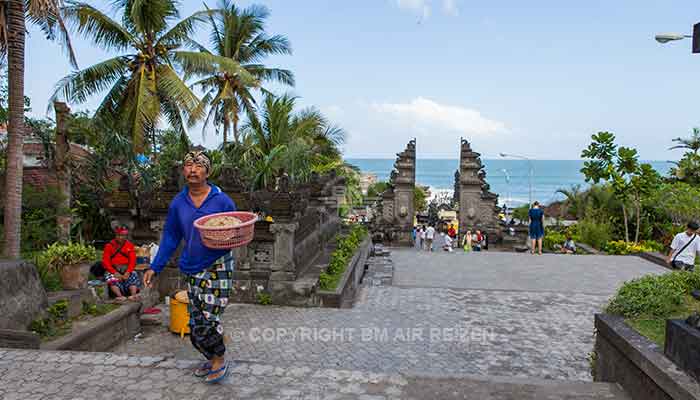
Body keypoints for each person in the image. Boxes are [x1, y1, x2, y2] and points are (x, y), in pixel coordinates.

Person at [143, 151, 236, 384]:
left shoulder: (222, 200)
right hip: (191, 267)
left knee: (209, 319)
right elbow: (171, 238)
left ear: (208, 171)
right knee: (195, 323)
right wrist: (155, 267)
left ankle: (219, 361)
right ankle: (211, 355)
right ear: (183, 171)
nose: (193, 169)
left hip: (218, 266)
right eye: (188, 165)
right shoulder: (178, 203)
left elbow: (235, 228)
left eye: (199, 165)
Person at [102, 226, 140, 302]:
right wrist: (114, 272)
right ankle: (120, 296)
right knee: (111, 278)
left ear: (126, 236)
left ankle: (133, 295)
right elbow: (105, 262)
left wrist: (128, 272)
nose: (121, 237)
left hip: (126, 269)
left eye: (123, 235)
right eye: (119, 235)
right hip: (114, 269)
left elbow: (133, 261)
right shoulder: (109, 246)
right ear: (115, 235)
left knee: (134, 275)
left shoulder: (129, 245)